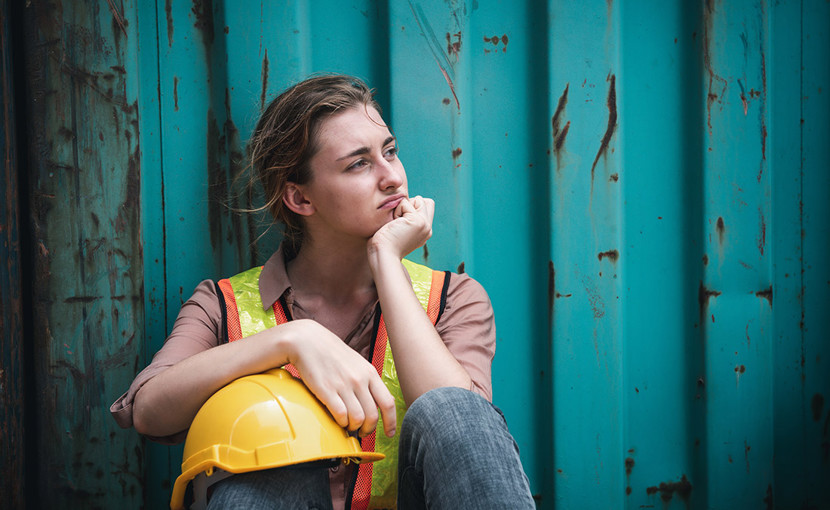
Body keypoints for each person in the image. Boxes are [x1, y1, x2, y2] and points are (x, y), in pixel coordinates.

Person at [111, 74, 534, 509]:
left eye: (390, 151)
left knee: (455, 409)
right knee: (272, 436)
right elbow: (148, 411)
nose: (392, 177)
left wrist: (387, 260)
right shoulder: (222, 305)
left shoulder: (454, 298)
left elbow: (464, 436)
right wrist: (289, 341)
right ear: (300, 199)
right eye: (359, 163)